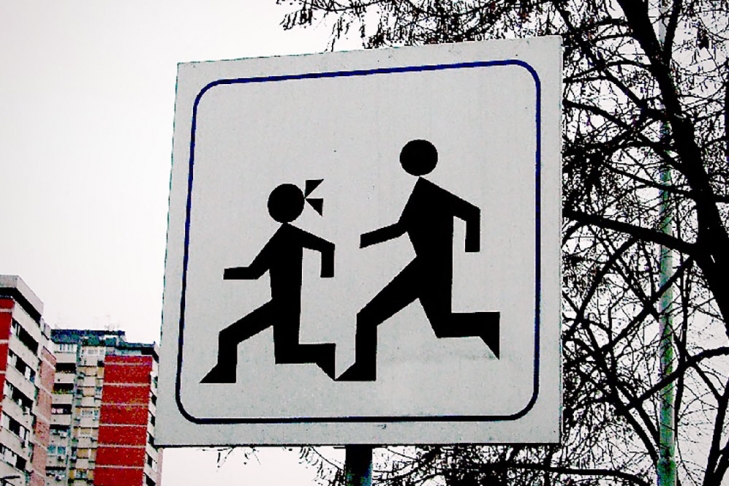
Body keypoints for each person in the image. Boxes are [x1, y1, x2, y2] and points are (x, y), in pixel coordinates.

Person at [338, 140, 500, 382]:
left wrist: (472, 251)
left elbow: (472, 213)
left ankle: (363, 369)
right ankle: (489, 325)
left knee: (368, 317)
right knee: (444, 325)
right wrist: (360, 240)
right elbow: (400, 229)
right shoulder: (421, 192)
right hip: (431, 267)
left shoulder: (430, 192)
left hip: (427, 268)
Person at [201, 182, 336, 383]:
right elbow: (254, 272)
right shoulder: (281, 236)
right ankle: (327, 355)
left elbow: (328, 247)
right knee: (287, 353)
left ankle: (223, 375)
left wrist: (326, 277)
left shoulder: (289, 235)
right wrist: (222, 273)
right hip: (281, 304)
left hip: (283, 305)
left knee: (230, 336)